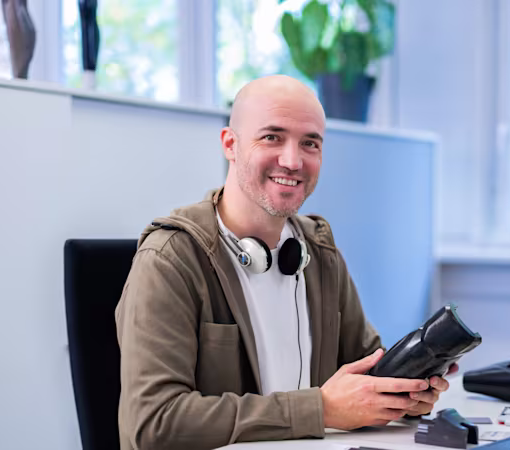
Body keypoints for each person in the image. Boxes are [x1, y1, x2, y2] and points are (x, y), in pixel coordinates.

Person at [114, 75, 456, 450]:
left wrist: (405, 393)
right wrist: (319, 410)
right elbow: (153, 424)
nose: (293, 161)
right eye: (272, 137)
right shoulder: (170, 260)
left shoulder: (318, 251)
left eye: (310, 143)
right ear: (230, 144)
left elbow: (365, 371)